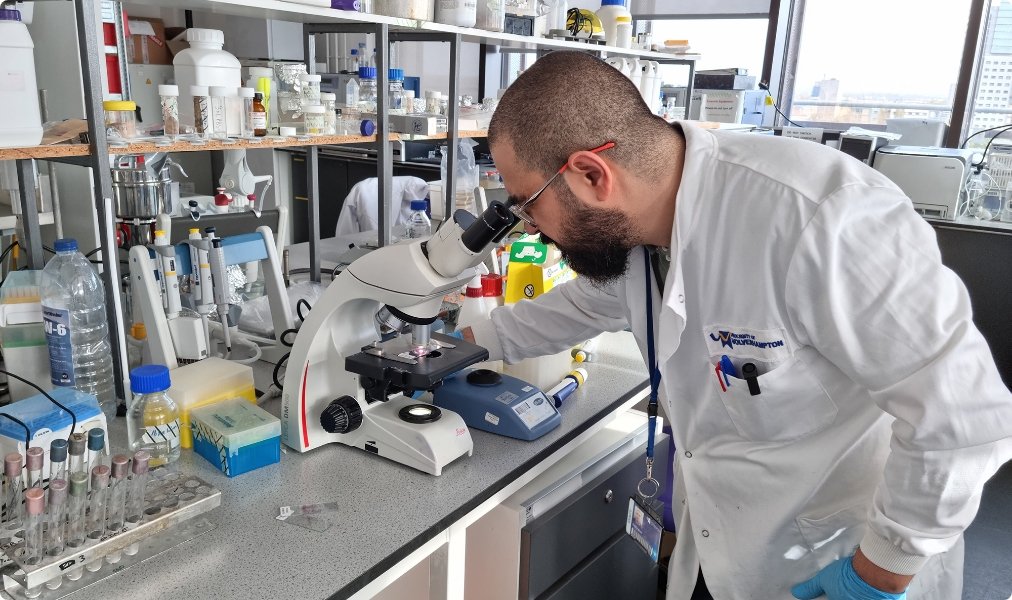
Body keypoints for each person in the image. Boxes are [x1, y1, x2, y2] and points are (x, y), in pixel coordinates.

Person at [463, 51, 1012, 599]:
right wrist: (459, 345)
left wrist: (879, 574)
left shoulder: (820, 215)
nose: (527, 227)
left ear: (591, 173)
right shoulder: (641, 235)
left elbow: (963, 418)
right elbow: (582, 307)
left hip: (838, 567)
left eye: (526, 203)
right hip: (721, 555)